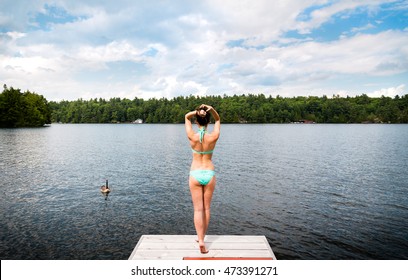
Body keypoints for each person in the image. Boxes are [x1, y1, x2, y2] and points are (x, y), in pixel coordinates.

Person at [185, 104, 220, 254]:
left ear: (197, 122)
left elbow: (187, 116)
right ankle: (202, 238)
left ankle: (200, 239)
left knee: (198, 209)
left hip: (195, 173)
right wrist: (209, 109)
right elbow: (218, 119)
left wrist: (198, 112)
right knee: (206, 208)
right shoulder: (213, 137)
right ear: (208, 122)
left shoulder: (191, 136)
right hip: (209, 173)